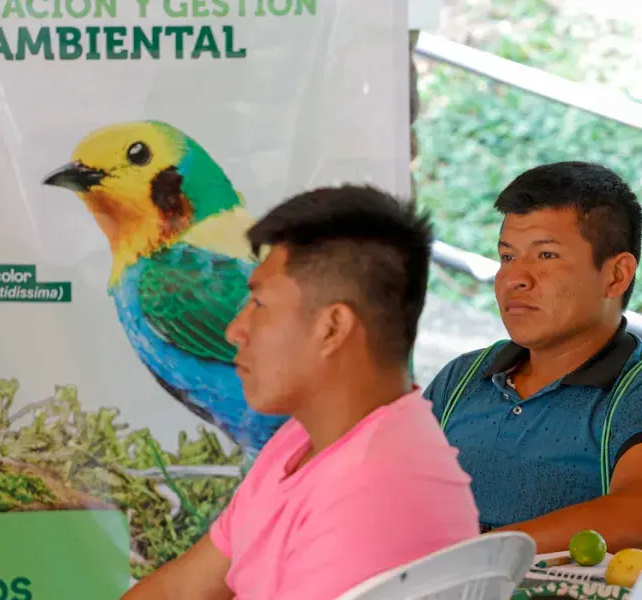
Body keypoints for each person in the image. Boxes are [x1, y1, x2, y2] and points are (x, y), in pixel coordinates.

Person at [121, 185, 479, 600]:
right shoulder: (301, 439)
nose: (234, 330)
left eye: (258, 303)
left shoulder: (373, 495)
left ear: (332, 328)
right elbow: (180, 589)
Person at [425, 161, 642, 554]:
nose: (515, 278)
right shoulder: (461, 378)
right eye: (507, 257)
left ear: (616, 275)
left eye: (545, 256)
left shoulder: (633, 388)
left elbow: (634, 513)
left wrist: (476, 556)